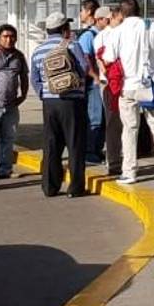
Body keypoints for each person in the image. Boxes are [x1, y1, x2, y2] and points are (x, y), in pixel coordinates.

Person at [105, 0, 154, 184]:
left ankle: (129, 171)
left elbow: (109, 58)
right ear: (139, 10)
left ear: (121, 13)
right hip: (151, 86)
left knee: (129, 129)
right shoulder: (153, 27)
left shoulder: (116, 32)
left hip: (128, 87)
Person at [30, 12, 90, 198]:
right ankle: (75, 187)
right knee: (75, 144)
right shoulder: (72, 45)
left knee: (51, 144)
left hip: (49, 102)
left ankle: (49, 186)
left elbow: (35, 78)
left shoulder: (38, 50)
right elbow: (85, 68)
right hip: (71, 101)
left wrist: (44, 93)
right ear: (65, 29)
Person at [0, 24, 29, 180]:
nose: (9, 39)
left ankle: (5, 169)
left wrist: (24, 94)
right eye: (5, 36)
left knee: (8, 138)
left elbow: (24, 76)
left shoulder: (18, 55)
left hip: (11, 104)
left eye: (12, 36)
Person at [93, 6, 124, 175]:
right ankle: (113, 162)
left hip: (127, 83)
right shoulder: (101, 37)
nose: (121, 22)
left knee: (129, 123)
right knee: (113, 123)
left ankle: (126, 159)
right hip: (110, 84)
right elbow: (101, 61)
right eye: (119, 19)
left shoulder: (125, 33)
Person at [76, 0, 105, 164]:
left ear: (89, 12)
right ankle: (90, 151)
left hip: (98, 82)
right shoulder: (88, 35)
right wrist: (95, 78)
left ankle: (96, 149)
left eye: (82, 10)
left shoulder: (94, 34)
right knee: (95, 118)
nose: (80, 14)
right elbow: (85, 60)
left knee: (99, 118)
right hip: (93, 83)